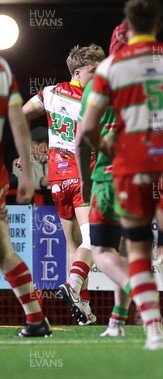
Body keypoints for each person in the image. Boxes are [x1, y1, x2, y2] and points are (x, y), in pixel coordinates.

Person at [78, 0, 163, 350]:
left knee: (135, 249)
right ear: (159, 23)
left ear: (127, 22)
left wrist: (107, 147)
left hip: (129, 165)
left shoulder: (110, 67)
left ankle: (154, 331)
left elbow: (87, 130)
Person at [22, 43, 106, 326]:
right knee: (94, 240)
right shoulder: (95, 100)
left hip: (57, 181)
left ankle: (84, 309)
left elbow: (21, 114)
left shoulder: (48, 93)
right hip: (84, 177)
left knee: (74, 247)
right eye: (95, 70)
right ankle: (73, 287)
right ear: (78, 72)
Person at [76, 20, 132, 337]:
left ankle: (141, 292)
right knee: (124, 253)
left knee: (102, 252)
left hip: (108, 179)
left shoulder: (98, 87)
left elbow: (83, 137)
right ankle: (116, 323)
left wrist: (85, 180)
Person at [0, 56, 52, 337]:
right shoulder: (4, 68)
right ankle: (36, 320)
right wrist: (29, 176)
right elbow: (18, 121)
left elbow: (20, 120)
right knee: (5, 252)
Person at [12, 126, 49, 192]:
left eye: (47, 143)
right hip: (32, 200)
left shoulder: (57, 162)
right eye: (38, 143)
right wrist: (41, 181)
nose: (44, 148)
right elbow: (22, 183)